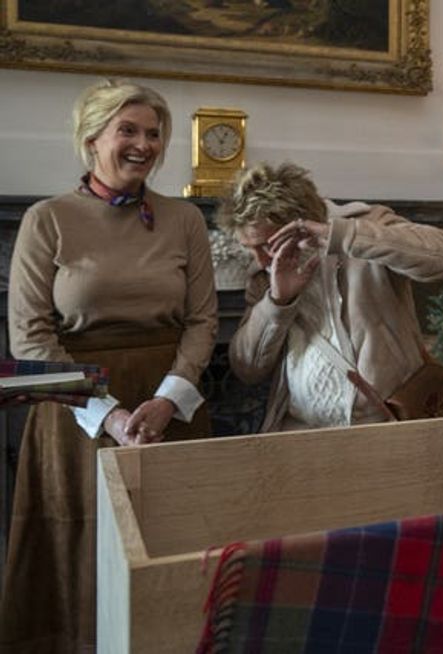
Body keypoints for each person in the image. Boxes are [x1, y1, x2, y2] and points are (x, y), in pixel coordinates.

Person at [0, 79, 217, 651]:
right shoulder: (46, 220)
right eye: (128, 130)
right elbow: (28, 340)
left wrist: (169, 400)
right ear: (92, 137)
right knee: (86, 557)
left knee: (175, 553)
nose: (143, 144)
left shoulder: (185, 220)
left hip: (172, 409)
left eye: (153, 133)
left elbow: (202, 322)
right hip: (77, 415)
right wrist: (111, 413)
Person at [219, 162, 443, 432]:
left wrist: (340, 236)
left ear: (297, 224)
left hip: (384, 424)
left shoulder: (367, 224)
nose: (260, 260)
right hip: (301, 433)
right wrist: (278, 301)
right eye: (248, 248)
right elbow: (247, 370)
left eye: (266, 244)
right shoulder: (263, 275)